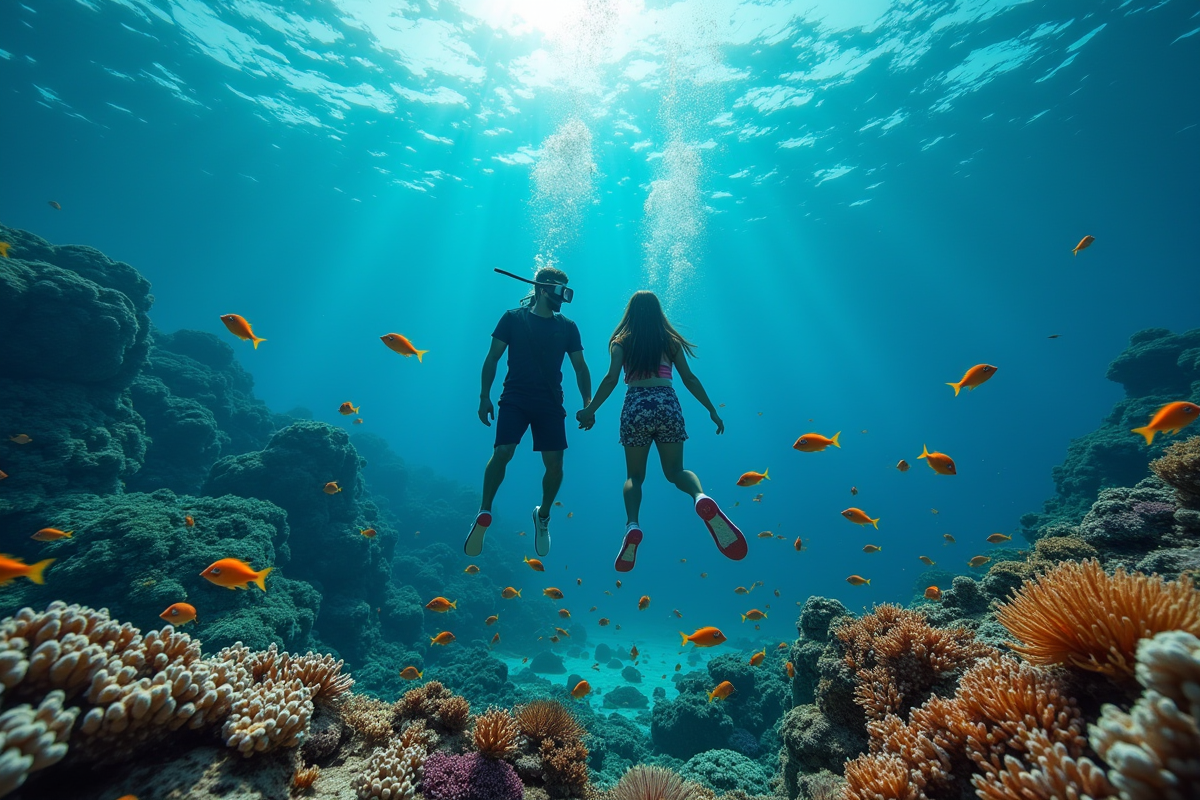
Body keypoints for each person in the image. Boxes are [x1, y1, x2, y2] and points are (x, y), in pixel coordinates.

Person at [576, 290, 746, 571]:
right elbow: (689, 378)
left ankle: (633, 524)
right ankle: (700, 497)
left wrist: (590, 409)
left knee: (634, 476)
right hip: (667, 404)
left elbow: (610, 379)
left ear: (629, 312)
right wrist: (711, 410)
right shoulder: (671, 341)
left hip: (636, 406)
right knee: (676, 471)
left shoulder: (620, 342)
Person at [465, 266, 591, 558]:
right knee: (503, 452)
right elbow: (493, 357)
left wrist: (588, 403)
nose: (565, 298)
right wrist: (484, 396)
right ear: (542, 289)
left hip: (549, 402)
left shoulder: (568, 327)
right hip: (515, 398)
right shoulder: (512, 319)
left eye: (568, 292)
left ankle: (543, 516)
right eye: (561, 291)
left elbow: (580, 367)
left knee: (555, 465)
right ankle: (484, 512)